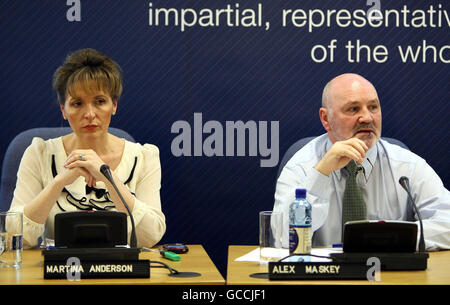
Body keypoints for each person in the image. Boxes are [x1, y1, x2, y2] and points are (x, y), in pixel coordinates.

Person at [9, 48, 166, 248]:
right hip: (58, 274)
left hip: (120, 273)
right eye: (77, 103)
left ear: (114, 105)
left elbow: (151, 236)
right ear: (63, 110)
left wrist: (107, 176)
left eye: (100, 101)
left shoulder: (144, 157)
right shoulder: (39, 154)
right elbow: (15, 238)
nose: (90, 114)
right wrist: (59, 182)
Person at [273, 73, 450, 251]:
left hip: (391, 275)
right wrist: (321, 173)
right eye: (353, 109)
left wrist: (393, 237)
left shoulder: (407, 166)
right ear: (325, 118)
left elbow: (447, 222)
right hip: (323, 276)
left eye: (373, 107)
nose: (367, 117)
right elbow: (283, 239)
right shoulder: (301, 165)